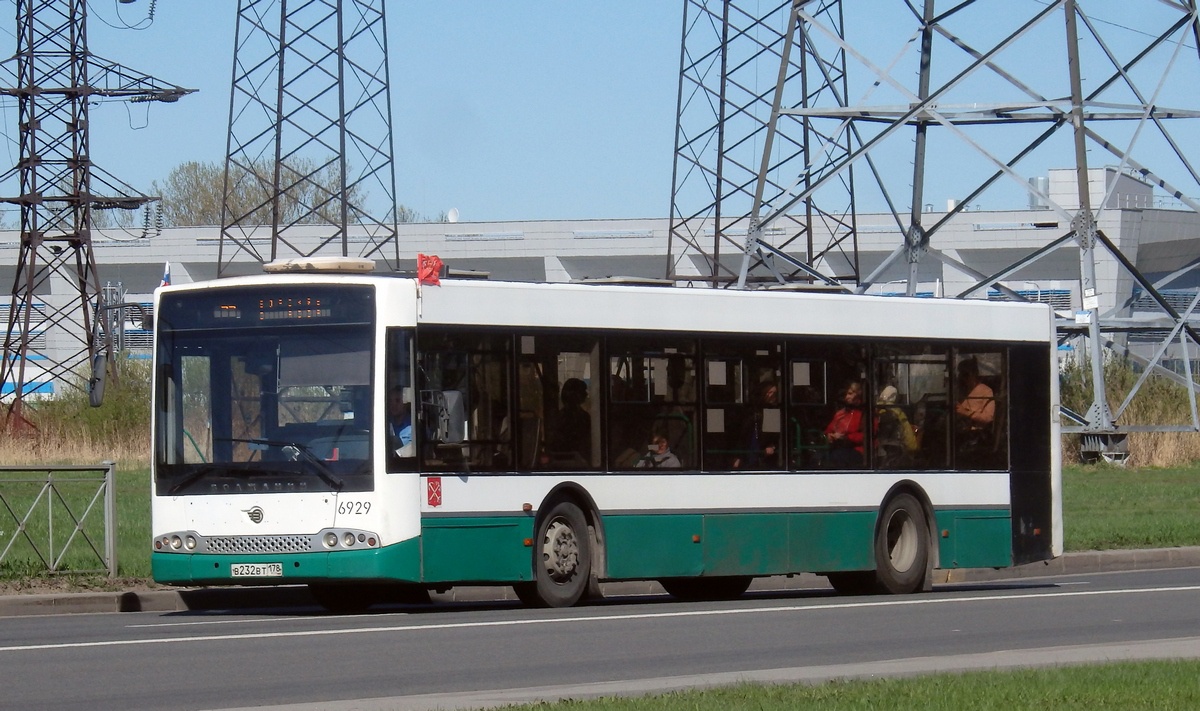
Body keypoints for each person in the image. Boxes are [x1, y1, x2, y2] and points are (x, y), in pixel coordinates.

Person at [732, 381, 780, 469]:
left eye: (775, 393)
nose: (772, 396)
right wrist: (738, 456)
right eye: (770, 393)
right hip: (750, 450)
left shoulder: (774, 412)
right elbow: (743, 435)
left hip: (765, 456)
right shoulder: (752, 412)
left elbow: (777, 436)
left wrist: (772, 446)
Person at [546, 377, 591, 463]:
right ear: (575, 394)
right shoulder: (582, 417)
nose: (586, 394)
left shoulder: (559, 415)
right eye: (583, 391)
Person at [824, 380, 865, 467]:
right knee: (819, 457)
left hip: (858, 450)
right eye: (846, 394)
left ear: (858, 395)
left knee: (836, 457)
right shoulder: (841, 413)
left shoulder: (865, 414)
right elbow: (829, 429)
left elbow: (868, 435)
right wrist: (829, 435)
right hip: (838, 447)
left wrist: (846, 438)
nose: (846, 397)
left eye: (850, 394)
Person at [875, 385, 917, 467]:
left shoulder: (874, 409)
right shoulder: (898, 413)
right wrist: (913, 448)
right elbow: (907, 434)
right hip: (894, 450)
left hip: (875, 450)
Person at [955, 358, 995, 429]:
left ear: (974, 374)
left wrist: (966, 413)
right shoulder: (959, 390)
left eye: (966, 375)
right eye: (962, 375)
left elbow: (988, 418)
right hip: (958, 429)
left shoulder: (986, 391)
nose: (964, 379)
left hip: (975, 433)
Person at [386, 386, 414, 457]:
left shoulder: (414, 426)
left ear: (405, 403)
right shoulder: (384, 423)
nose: (393, 404)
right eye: (390, 401)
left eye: (397, 400)